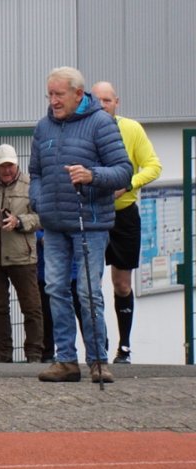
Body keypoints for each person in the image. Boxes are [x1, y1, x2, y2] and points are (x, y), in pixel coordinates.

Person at [30, 67, 132, 384]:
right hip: (54, 225)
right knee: (55, 290)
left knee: (88, 293)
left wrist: (92, 176)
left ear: (78, 94)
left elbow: (124, 170)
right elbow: (36, 173)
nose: (53, 100)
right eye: (50, 94)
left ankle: (98, 360)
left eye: (59, 94)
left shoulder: (101, 123)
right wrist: (38, 201)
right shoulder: (43, 127)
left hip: (90, 223)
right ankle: (65, 361)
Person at [90, 81, 162, 364]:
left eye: (107, 100)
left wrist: (128, 184)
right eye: (97, 100)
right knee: (89, 284)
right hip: (94, 214)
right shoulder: (83, 129)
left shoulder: (131, 129)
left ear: (116, 102)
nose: (102, 105)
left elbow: (153, 166)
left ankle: (125, 347)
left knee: (121, 284)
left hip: (124, 214)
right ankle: (99, 343)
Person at [0, 144, 44, 362]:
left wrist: (19, 221)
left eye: (10, 166)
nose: (7, 170)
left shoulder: (31, 185)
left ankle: (34, 354)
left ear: (17, 164)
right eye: (2, 166)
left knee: (32, 307)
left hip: (23, 257)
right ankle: (3, 353)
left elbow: (42, 217)